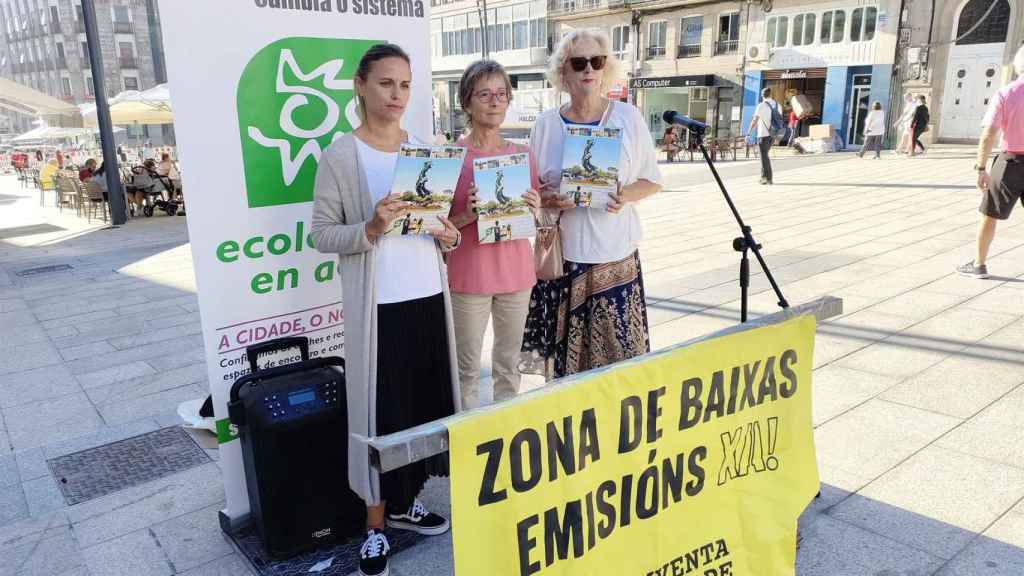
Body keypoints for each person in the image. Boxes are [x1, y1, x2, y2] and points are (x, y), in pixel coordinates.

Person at [310, 43, 459, 576]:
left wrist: (446, 233)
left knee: (421, 409)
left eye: (404, 85)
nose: (396, 95)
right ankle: (375, 526)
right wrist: (371, 228)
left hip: (426, 300)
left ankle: (406, 500)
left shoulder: (424, 150)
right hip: (377, 310)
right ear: (360, 85)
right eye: (385, 83)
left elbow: (442, 232)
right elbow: (322, 233)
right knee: (380, 415)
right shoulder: (340, 156)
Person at [521, 29, 662, 379]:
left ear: (605, 69)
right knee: (567, 370)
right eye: (579, 62)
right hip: (564, 259)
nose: (588, 69)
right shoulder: (546, 124)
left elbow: (652, 180)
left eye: (596, 62)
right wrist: (548, 200)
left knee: (621, 365)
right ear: (563, 72)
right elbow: (532, 190)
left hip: (615, 255)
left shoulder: (627, 118)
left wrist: (625, 195)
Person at [446, 59, 541, 409]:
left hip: (517, 275)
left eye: (502, 94)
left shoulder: (522, 155)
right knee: (466, 369)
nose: (495, 101)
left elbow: (534, 218)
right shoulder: (451, 157)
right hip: (469, 277)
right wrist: (467, 215)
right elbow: (436, 227)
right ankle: (467, 433)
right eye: (484, 94)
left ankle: (506, 429)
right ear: (467, 101)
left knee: (508, 364)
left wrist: (535, 206)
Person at [957, 46, 1024, 279]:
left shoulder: (1007, 93)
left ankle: (979, 264)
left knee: (990, 214)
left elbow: (988, 134)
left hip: (1010, 162)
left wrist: (981, 168)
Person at [748, 87, 777, 185]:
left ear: (762, 95)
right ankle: (763, 177)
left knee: (764, 157)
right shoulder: (777, 105)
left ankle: (768, 178)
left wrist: (748, 133)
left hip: (763, 134)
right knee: (764, 156)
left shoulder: (761, 105)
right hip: (773, 135)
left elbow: (755, 120)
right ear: (771, 94)